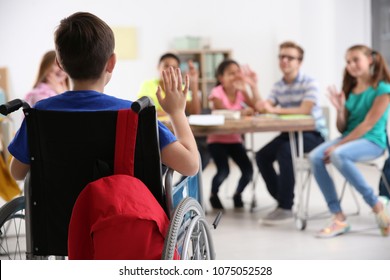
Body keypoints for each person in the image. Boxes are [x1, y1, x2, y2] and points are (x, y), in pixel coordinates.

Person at [8, 12, 199, 182]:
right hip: (121, 218)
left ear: (59, 63)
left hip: (57, 220)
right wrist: (177, 112)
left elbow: (17, 172)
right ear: (111, 63)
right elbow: (190, 166)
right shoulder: (134, 114)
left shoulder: (40, 112)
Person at [309, 45, 390, 238]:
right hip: (348, 139)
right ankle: (338, 216)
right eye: (347, 61)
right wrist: (339, 109)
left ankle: (377, 207)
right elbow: (342, 128)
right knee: (314, 157)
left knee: (338, 153)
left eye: (355, 59)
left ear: (370, 59)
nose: (351, 65)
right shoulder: (350, 88)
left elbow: (368, 124)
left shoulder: (383, 89)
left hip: (372, 142)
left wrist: (338, 145)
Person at [254, 41, 326, 225]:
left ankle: (285, 207)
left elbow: (305, 109)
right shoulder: (278, 86)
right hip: (289, 134)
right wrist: (254, 89)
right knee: (262, 155)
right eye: (281, 56)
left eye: (290, 57)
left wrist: (274, 110)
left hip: (313, 134)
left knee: (285, 152)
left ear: (299, 62)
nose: (284, 60)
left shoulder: (310, 83)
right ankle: (283, 199)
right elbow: (266, 107)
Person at [138, 53, 211, 170]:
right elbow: (145, 111)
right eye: (166, 66)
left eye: (174, 67)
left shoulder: (179, 87)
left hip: (177, 131)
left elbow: (195, 111)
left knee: (203, 154)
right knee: (159, 163)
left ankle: (182, 185)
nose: (170, 70)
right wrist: (175, 110)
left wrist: (194, 84)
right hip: (159, 130)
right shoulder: (149, 85)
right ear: (158, 67)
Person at [208, 59, 261, 210]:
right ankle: (213, 194)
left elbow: (254, 109)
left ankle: (238, 194)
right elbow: (221, 111)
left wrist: (245, 90)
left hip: (235, 140)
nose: (236, 76)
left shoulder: (241, 93)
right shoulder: (216, 92)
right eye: (231, 73)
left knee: (248, 170)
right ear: (221, 78)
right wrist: (241, 112)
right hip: (217, 140)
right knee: (223, 171)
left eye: (238, 72)